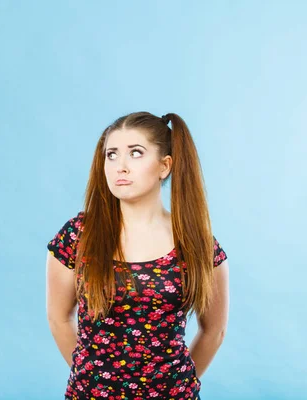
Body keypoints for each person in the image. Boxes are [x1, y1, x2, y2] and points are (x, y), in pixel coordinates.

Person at [46, 112, 229, 400]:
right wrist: (92, 380)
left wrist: (179, 385)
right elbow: (58, 318)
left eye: (135, 153)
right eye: (111, 155)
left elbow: (214, 332)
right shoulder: (77, 235)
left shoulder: (197, 244)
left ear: (164, 166)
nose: (121, 166)